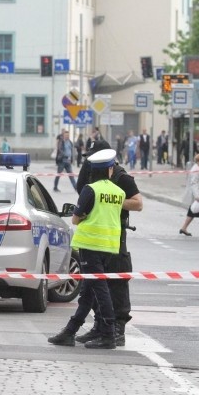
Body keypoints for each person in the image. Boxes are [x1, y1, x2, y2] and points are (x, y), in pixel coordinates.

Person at [48, 149, 125, 349]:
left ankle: (108, 333)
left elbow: (76, 217)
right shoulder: (118, 192)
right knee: (89, 291)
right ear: (109, 169)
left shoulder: (90, 189)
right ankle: (70, 331)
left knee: (99, 289)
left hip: (90, 245)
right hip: (109, 246)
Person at [75, 140, 144, 346]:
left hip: (115, 235)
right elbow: (83, 192)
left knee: (116, 281)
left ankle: (117, 328)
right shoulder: (91, 172)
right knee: (95, 284)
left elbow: (138, 203)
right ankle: (99, 326)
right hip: (96, 238)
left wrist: (110, 201)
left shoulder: (121, 177)